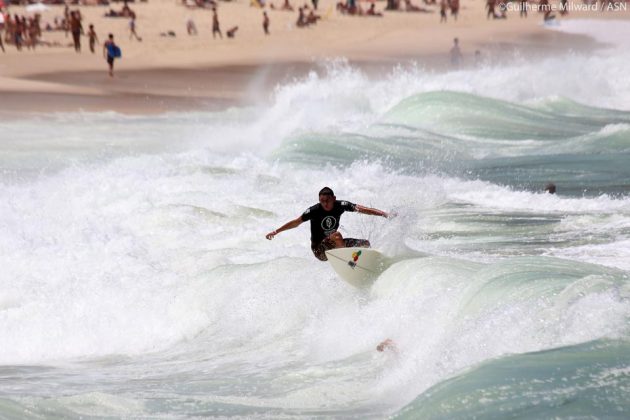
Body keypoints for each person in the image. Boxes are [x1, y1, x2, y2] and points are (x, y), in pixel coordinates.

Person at [265, 187, 390, 261]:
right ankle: (347, 262)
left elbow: (362, 209)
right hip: (320, 250)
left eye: (327, 201)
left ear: (334, 199)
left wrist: (384, 214)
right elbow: (296, 222)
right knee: (336, 235)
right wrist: (276, 231)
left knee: (365, 244)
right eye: (322, 201)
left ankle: (363, 265)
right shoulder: (314, 210)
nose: (325, 204)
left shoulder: (341, 205)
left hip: (335, 245)